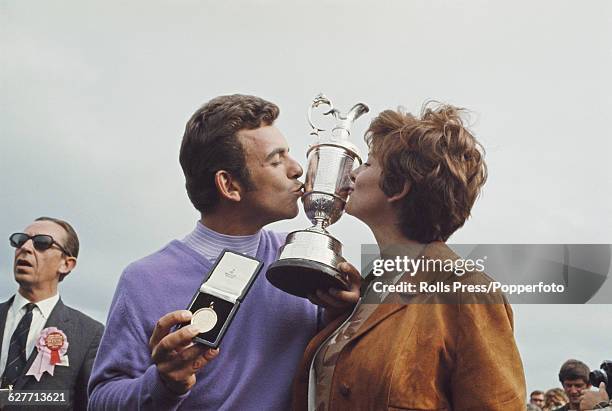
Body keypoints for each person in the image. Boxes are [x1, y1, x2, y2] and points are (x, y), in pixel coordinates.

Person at [88, 94, 357, 410]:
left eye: (290, 154)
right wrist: (163, 383)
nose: (297, 168)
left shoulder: (301, 262)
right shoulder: (144, 280)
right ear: (229, 186)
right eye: (276, 160)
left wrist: (347, 312)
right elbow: (100, 400)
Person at [292, 103, 526, 410]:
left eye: (368, 164)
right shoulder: (364, 292)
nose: (352, 172)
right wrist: (349, 311)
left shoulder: (468, 292)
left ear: (398, 187)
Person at [0, 217, 104, 410]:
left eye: (41, 243)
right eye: (20, 240)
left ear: (66, 264)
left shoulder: (89, 335)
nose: (26, 247)